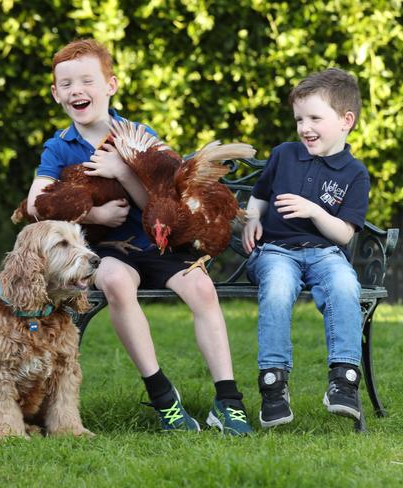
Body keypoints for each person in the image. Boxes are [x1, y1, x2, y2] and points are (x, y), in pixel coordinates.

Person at [25, 38, 252, 435]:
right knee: (114, 281)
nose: (77, 90)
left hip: (159, 243)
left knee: (202, 290)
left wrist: (122, 171)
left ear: (110, 85)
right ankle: (163, 396)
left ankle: (228, 400)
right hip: (107, 251)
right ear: (56, 94)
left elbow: (169, 200)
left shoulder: (139, 134)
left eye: (87, 81)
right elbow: (34, 203)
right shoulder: (59, 148)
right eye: (67, 84)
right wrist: (94, 213)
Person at [241, 68, 370, 428]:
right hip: (276, 252)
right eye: (300, 119)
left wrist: (314, 211)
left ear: (346, 121)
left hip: (326, 253)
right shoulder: (284, 154)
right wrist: (252, 219)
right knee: (280, 286)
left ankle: (343, 380)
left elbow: (344, 234)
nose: (304, 127)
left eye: (315, 118)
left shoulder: (355, 173)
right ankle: (273, 384)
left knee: (345, 284)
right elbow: (260, 195)